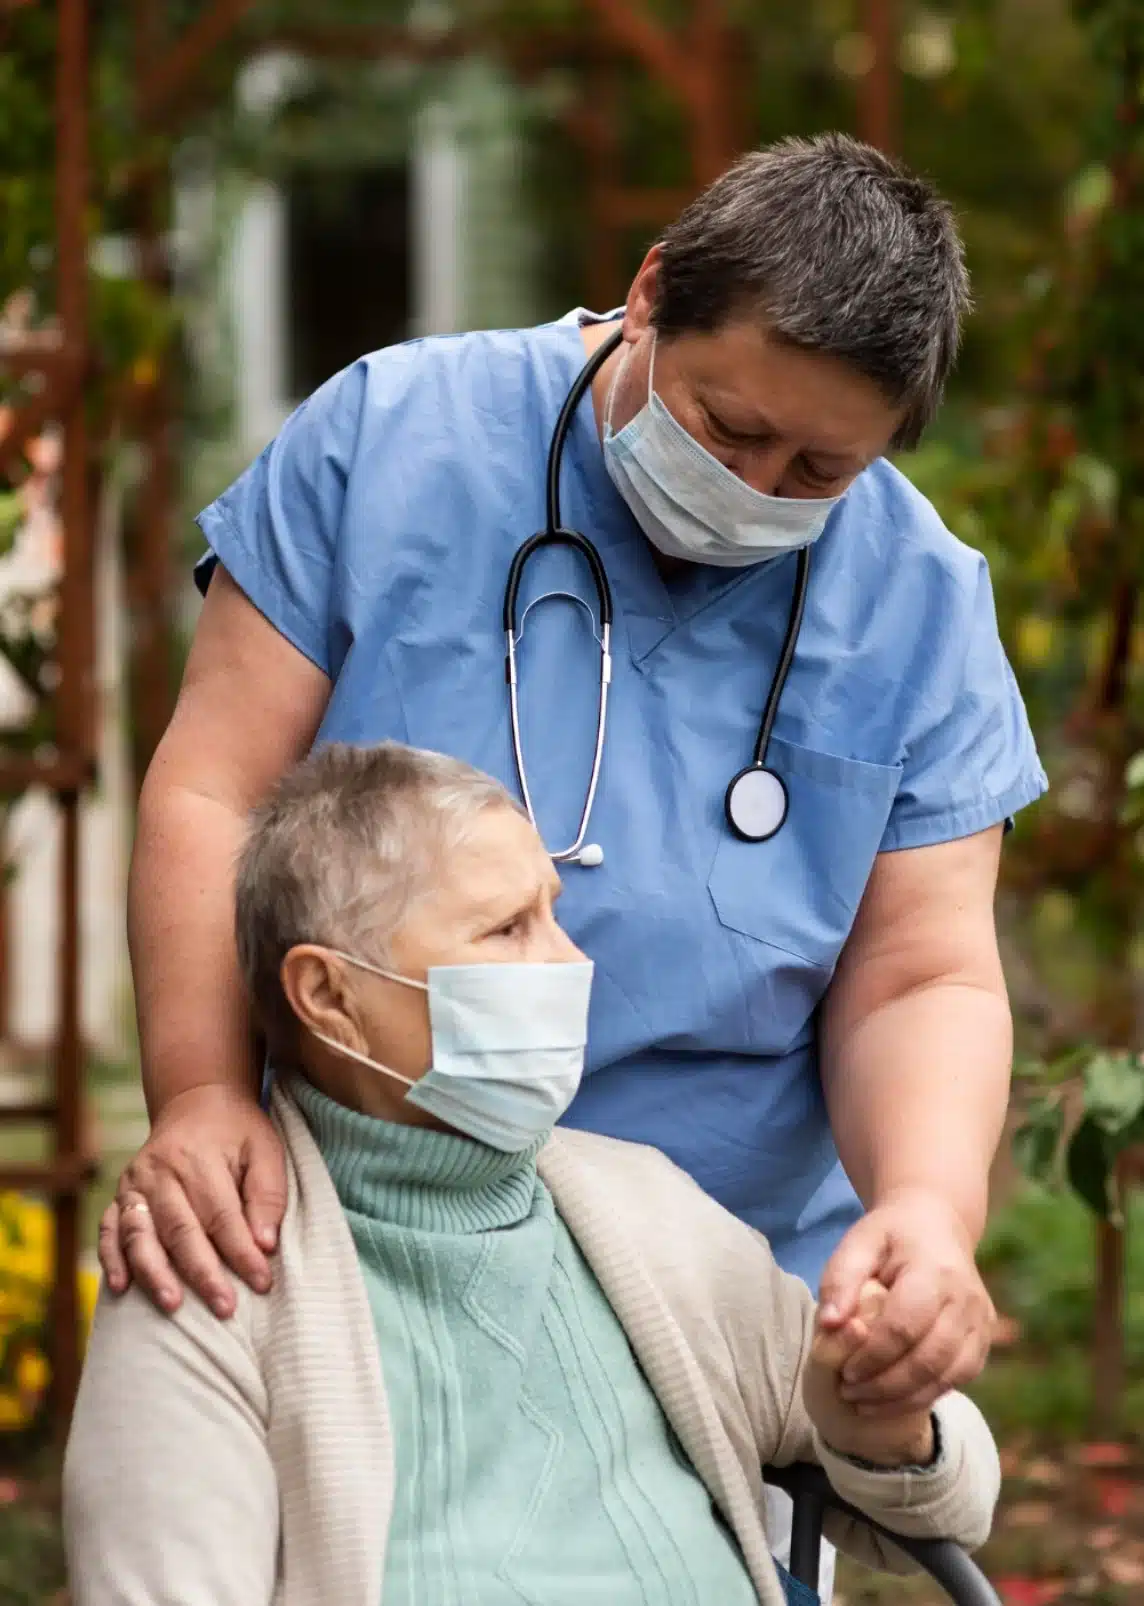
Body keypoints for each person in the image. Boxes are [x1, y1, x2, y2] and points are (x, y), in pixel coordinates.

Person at [104, 134, 1044, 1452]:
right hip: (352, 1233)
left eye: (820, 473)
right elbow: (214, 790)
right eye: (729, 425)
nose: (752, 491)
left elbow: (921, 974)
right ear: (652, 293)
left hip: (719, 1296)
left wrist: (930, 1208)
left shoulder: (919, 602)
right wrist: (200, 1096)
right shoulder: (389, 442)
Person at [66, 743, 1001, 1606]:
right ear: (329, 996)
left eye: (554, 912)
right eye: (508, 929)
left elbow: (954, 1508)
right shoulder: (205, 1272)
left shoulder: (649, 1214)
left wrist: (882, 1422)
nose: (569, 961)